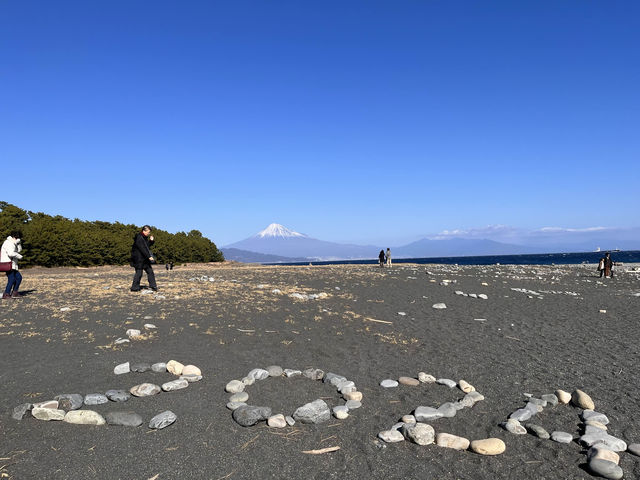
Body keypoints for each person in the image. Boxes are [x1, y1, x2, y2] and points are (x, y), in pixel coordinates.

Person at [130, 225, 157, 292]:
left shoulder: (144, 237)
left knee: (150, 271)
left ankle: (153, 286)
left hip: (144, 259)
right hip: (138, 259)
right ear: (144, 231)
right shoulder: (139, 237)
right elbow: (142, 249)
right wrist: (149, 256)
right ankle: (134, 288)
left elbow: (146, 246)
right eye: (148, 232)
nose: (149, 233)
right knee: (139, 273)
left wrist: (151, 241)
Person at [1, 231, 24, 299]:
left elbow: (19, 250)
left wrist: (18, 244)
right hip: (8, 263)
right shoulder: (8, 243)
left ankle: (15, 292)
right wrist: (19, 256)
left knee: (19, 277)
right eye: (18, 238)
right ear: (15, 237)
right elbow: (10, 253)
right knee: (12, 279)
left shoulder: (14, 243)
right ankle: (6, 294)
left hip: (13, 264)